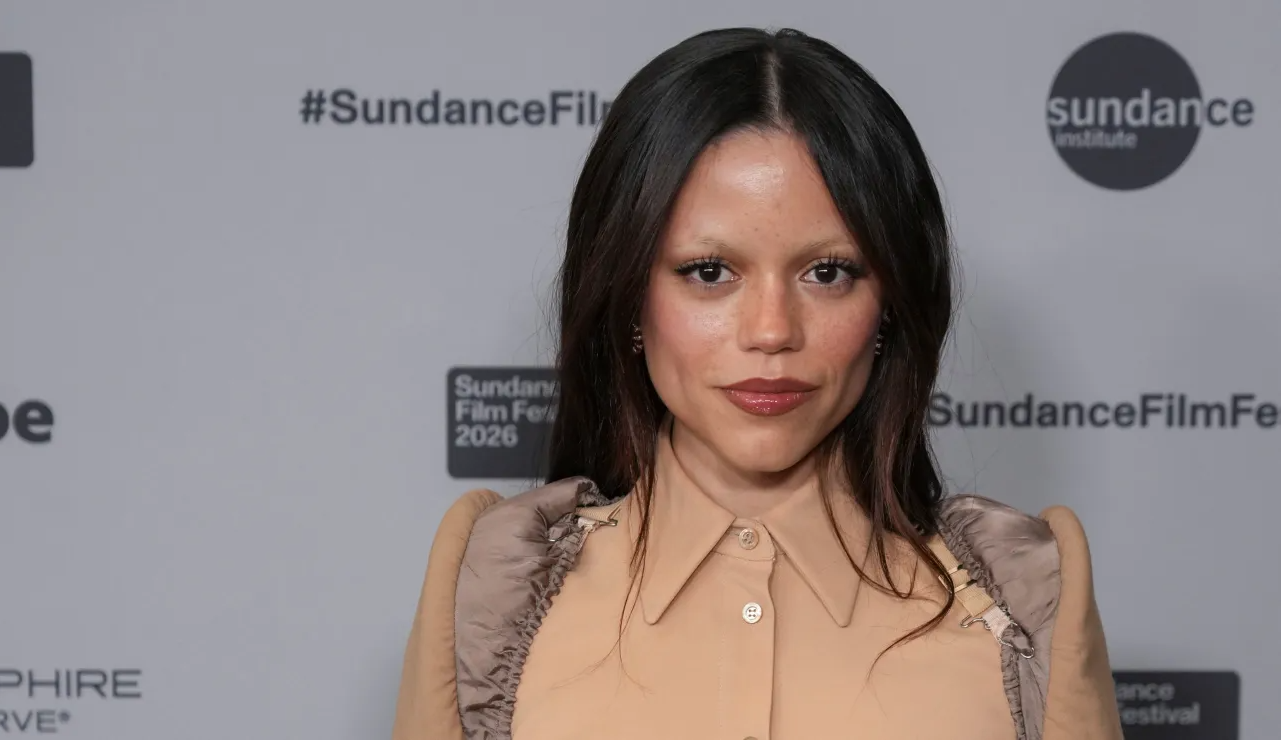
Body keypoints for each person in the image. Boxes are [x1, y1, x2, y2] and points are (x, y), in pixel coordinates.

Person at [391, 27, 1122, 740]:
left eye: (827, 273)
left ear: (890, 306)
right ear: (629, 299)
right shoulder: (491, 599)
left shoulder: (1022, 606)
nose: (771, 331)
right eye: (709, 272)